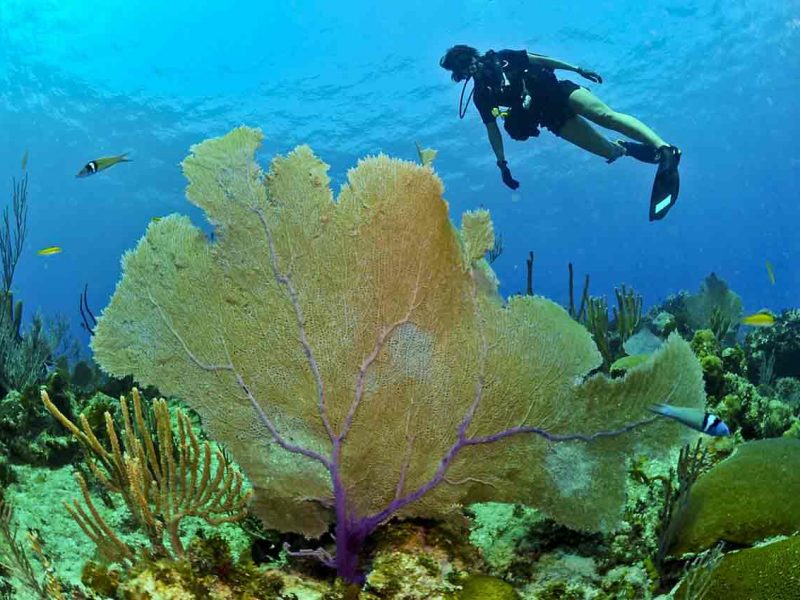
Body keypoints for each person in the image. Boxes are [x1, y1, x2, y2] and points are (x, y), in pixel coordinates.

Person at [439, 45, 681, 220]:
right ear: (460, 76)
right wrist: (502, 164)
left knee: (606, 116)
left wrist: (577, 69)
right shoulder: (483, 96)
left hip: (561, 92)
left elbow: (541, 61)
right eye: (460, 68)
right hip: (551, 118)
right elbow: (493, 131)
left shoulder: (504, 58)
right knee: (608, 151)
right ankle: (627, 148)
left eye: (465, 60)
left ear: (473, 54)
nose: (469, 68)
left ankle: (665, 149)